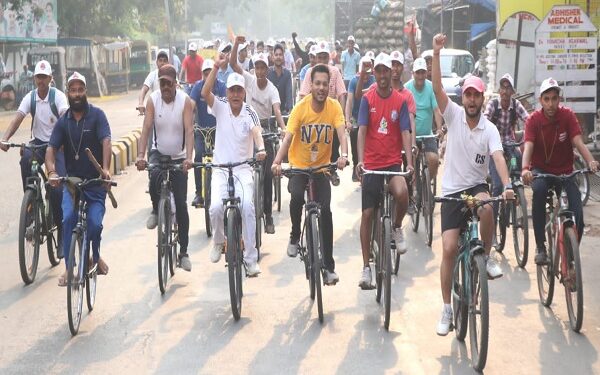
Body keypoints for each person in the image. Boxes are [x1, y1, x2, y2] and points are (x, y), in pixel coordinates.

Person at [431, 34, 513, 336]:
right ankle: (447, 309)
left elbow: (499, 157)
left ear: (483, 98)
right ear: (462, 98)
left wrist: (507, 185)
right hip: (452, 192)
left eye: (477, 95)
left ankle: (486, 257)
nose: (472, 100)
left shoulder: (489, 129)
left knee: (489, 207)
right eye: (467, 95)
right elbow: (438, 88)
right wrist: (436, 54)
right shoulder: (452, 116)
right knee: (450, 249)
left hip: (476, 188)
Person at [272, 64, 348, 285]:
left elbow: (341, 133)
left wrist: (344, 154)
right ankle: (295, 235)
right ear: (311, 85)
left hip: (322, 168)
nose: (322, 88)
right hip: (299, 167)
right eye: (317, 83)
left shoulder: (334, 107)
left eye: (325, 84)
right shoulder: (300, 108)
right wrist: (277, 161)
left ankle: (329, 268)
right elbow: (288, 137)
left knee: (326, 212)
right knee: (296, 197)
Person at [521, 77, 600, 265]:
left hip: (565, 172)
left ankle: (571, 259)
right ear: (541, 100)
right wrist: (525, 168)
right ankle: (541, 246)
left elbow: (578, 142)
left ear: (559, 99)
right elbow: (529, 145)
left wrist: (591, 161)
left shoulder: (568, 116)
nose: (550, 103)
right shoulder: (533, 120)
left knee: (578, 217)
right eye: (546, 99)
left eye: (554, 98)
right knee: (538, 192)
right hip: (541, 171)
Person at [201, 57, 266, 277]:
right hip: (220, 169)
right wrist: (216, 67)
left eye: (239, 90)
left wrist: (261, 148)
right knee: (215, 208)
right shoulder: (219, 107)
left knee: (248, 207)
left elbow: (256, 132)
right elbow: (204, 93)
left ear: (244, 93)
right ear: (227, 93)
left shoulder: (249, 112)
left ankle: (250, 258)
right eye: (232, 91)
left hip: (242, 169)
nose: (236, 95)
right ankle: (219, 241)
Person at [46, 72, 112, 286]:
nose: (76, 94)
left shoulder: (97, 115)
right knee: (67, 220)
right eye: (72, 90)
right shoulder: (63, 122)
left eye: (80, 90)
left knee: (94, 224)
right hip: (72, 184)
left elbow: (106, 142)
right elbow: (51, 149)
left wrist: (107, 170)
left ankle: (95, 255)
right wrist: (52, 172)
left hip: (95, 183)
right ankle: (68, 268)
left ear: (86, 91)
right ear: (68, 93)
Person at [356, 53, 414, 288]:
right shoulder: (367, 99)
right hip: (371, 164)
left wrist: (408, 162)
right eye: (378, 71)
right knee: (368, 215)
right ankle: (365, 267)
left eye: (385, 71)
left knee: (402, 192)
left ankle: (397, 226)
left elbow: (405, 133)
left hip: (392, 163)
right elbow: (361, 131)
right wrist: (360, 162)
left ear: (392, 73)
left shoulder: (400, 101)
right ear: (375, 73)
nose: (382, 75)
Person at [1, 60, 68, 256]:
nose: (41, 81)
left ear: (50, 78)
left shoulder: (59, 97)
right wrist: (5, 138)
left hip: (57, 146)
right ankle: (30, 204)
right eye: (38, 77)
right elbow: (18, 117)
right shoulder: (30, 98)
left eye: (44, 77)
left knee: (56, 187)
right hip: (38, 143)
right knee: (25, 159)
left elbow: (65, 118)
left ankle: (62, 233)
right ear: (34, 78)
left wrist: (64, 140)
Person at [135, 64, 194, 272]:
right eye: (162, 83)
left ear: (175, 83)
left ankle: (184, 252)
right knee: (153, 179)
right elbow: (146, 128)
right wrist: (141, 156)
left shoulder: (185, 101)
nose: (166, 87)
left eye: (169, 83)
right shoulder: (153, 100)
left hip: (179, 156)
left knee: (182, 204)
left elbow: (189, 130)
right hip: (158, 153)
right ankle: (155, 208)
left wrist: (188, 158)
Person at [231, 37, 286, 234]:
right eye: (258, 68)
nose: (261, 71)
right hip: (249, 127)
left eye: (264, 68)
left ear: (267, 69)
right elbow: (232, 63)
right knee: (242, 166)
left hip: (267, 129)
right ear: (254, 69)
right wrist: (236, 44)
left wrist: (283, 128)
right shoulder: (249, 79)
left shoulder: (272, 89)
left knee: (268, 173)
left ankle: (268, 216)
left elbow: (277, 110)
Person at [484, 73, 529, 228]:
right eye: (502, 87)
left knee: (518, 158)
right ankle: (493, 225)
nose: (504, 91)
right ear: (499, 90)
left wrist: (531, 134)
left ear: (512, 91)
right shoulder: (492, 104)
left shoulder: (516, 105)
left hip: (509, 145)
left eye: (508, 87)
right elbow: (484, 121)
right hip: (494, 148)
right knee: (496, 186)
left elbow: (528, 120)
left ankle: (517, 190)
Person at [299, 41, 347, 185]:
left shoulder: (335, 72)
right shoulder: (309, 72)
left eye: (324, 57)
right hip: (312, 114)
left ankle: (332, 166)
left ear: (328, 58)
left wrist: (341, 116)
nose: (322, 61)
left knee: (337, 132)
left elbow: (342, 94)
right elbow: (303, 96)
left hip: (331, 114)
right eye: (319, 57)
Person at [189, 59, 227, 208]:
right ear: (202, 75)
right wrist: (188, 121)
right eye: (205, 73)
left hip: (218, 131)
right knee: (198, 157)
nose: (208, 76)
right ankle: (199, 193)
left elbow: (225, 105)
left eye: (210, 72)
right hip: (201, 130)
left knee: (221, 159)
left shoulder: (222, 87)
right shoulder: (197, 87)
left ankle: (222, 189)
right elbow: (191, 105)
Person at [405, 57, 443, 181]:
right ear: (413, 73)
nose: (420, 76)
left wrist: (439, 128)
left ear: (426, 73)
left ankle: (426, 184)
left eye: (423, 73)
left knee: (433, 160)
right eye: (418, 73)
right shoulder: (406, 89)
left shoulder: (431, 87)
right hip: (410, 136)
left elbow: (436, 110)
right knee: (409, 167)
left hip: (427, 135)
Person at [345, 56, 375, 182]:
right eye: (364, 73)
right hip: (356, 116)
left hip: (370, 116)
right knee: (354, 135)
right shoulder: (353, 81)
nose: (366, 76)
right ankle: (356, 164)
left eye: (368, 73)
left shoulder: (374, 80)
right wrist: (347, 120)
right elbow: (350, 101)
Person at [137, 50, 169, 115]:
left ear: (168, 63)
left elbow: (178, 89)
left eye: (165, 61)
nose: (162, 63)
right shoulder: (153, 74)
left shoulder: (171, 74)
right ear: (157, 62)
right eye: (160, 60)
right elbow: (144, 89)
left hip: (170, 109)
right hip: (156, 109)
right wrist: (141, 103)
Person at [268, 43, 294, 114]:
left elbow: (289, 92)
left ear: (283, 57)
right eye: (276, 55)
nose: (278, 57)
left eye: (280, 55)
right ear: (273, 57)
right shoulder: (267, 72)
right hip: (269, 111)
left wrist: (290, 109)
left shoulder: (287, 74)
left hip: (283, 111)